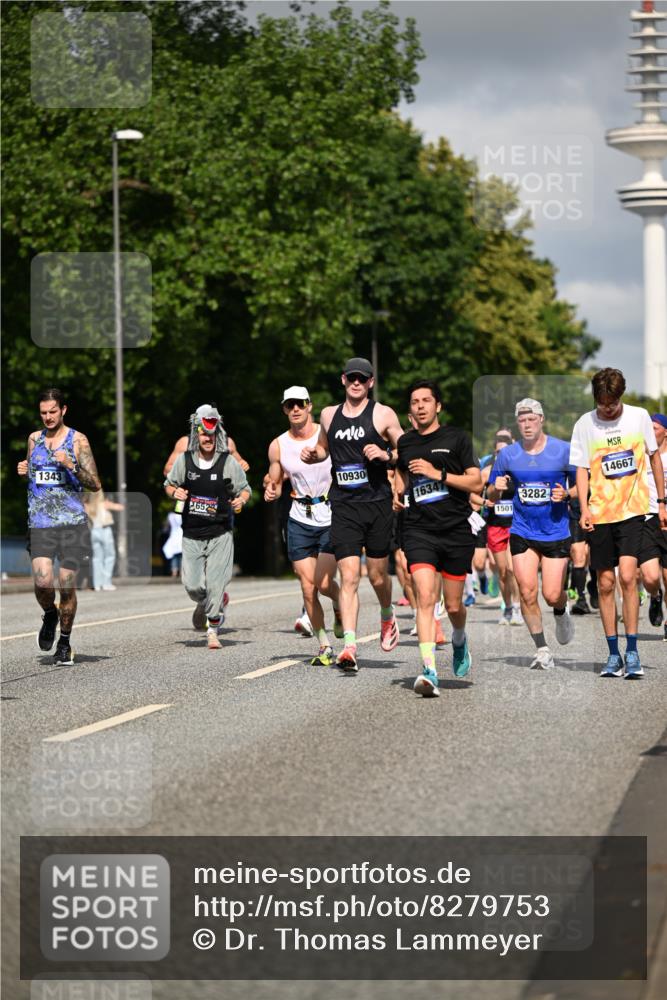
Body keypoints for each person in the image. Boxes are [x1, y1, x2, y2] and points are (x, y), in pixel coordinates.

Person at [302, 357, 403, 672]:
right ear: (343, 380)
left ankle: (387, 613)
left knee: (375, 576)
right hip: (343, 505)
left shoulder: (383, 414)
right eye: (351, 378)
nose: (356, 383)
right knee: (348, 576)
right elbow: (323, 447)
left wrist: (387, 455)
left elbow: (408, 449)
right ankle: (349, 646)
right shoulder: (329, 415)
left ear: (371, 382)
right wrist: (314, 454)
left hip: (376, 504)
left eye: (363, 378)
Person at [571, 370, 666, 677]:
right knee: (605, 582)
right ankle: (613, 654)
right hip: (600, 513)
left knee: (628, 576)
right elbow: (582, 469)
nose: (607, 409)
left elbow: (653, 459)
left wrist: (662, 502)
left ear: (620, 396)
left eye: (611, 403)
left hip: (634, 510)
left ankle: (633, 651)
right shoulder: (585, 424)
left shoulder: (639, 417)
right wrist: (584, 508)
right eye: (602, 403)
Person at [394, 379, 482, 696]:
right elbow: (402, 473)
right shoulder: (405, 443)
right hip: (418, 530)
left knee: (455, 605)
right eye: (415, 401)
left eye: (426, 400)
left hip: (455, 530)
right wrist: (398, 488)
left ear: (437, 406)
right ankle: (429, 669)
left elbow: (475, 482)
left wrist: (438, 474)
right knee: (425, 596)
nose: (420, 406)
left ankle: (459, 637)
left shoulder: (457, 438)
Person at [487, 398, 575, 670]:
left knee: (551, 594)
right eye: (521, 420)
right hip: (522, 530)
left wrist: (568, 493)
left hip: (555, 531)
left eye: (531, 419)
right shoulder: (508, 455)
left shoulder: (563, 450)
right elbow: (490, 494)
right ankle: (542, 649)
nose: (526, 424)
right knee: (526, 592)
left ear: (541, 420)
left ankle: (561, 610)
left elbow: (586, 484)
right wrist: (496, 487)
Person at [16, 388, 101, 665]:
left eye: (53, 411)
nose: (48, 417)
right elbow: (36, 475)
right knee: (42, 582)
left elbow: (95, 483)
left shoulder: (78, 440)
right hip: (40, 523)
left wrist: (72, 465)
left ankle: (64, 642)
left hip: (72, 524)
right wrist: (25, 470)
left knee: (66, 585)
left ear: (63, 410)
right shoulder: (34, 439)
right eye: (43, 413)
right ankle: (50, 615)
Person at [264, 385, 343, 665]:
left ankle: (338, 605)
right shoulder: (278, 444)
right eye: (289, 405)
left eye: (300, 404)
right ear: (285, 409)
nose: (295, 409)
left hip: (330, 514)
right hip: (299, 516)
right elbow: (275, 475)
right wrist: (271, 487)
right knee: (308, 587)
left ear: (309, 406)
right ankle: (324, 645)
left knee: (323, 584)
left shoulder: (328, 433)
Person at [164, 404, 251, 650]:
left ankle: (213, 628)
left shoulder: (226, 456)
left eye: (211, 433)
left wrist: (241, 499)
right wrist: (175, 491)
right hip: (191, 531)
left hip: (220, 530)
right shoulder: (184, 455)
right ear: (196, 431)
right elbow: (168, 481)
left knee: (216, 581)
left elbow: (245, 487)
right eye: (203, 433)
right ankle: (208, 601)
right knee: (192, 585)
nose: (208, 437)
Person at [472, 433, 522, 626]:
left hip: (515, 525)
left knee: (512, 568)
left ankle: (517, 608)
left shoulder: (520, 471)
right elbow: (471, 495)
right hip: (495, 525)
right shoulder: (487, 472)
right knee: (501, 571)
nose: (501, 455)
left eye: (504, 451)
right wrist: (485, 501)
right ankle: (507, 607)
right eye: (498, 451)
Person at [641, 413, 667, 638]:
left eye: (655, 428)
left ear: (666, 431)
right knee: (649, 577)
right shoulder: (640, 455)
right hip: (648, 517)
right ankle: (655, 596)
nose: (650, 432)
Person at [84, 489, 124, 591]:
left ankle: (97, 584)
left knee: (97, 558)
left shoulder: (88, 506)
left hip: (94, 531)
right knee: (110, 557)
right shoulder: (104, 504)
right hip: (105, 530)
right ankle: (106, 583)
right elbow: (120, 507)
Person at [162, 509, 183, 578]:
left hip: (174, 537)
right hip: (182, 536)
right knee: (182, 557)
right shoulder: (182, 515)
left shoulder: (171, 516)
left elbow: (166, 527)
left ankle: (174, 572)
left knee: (174, 556)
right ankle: (181, 572)